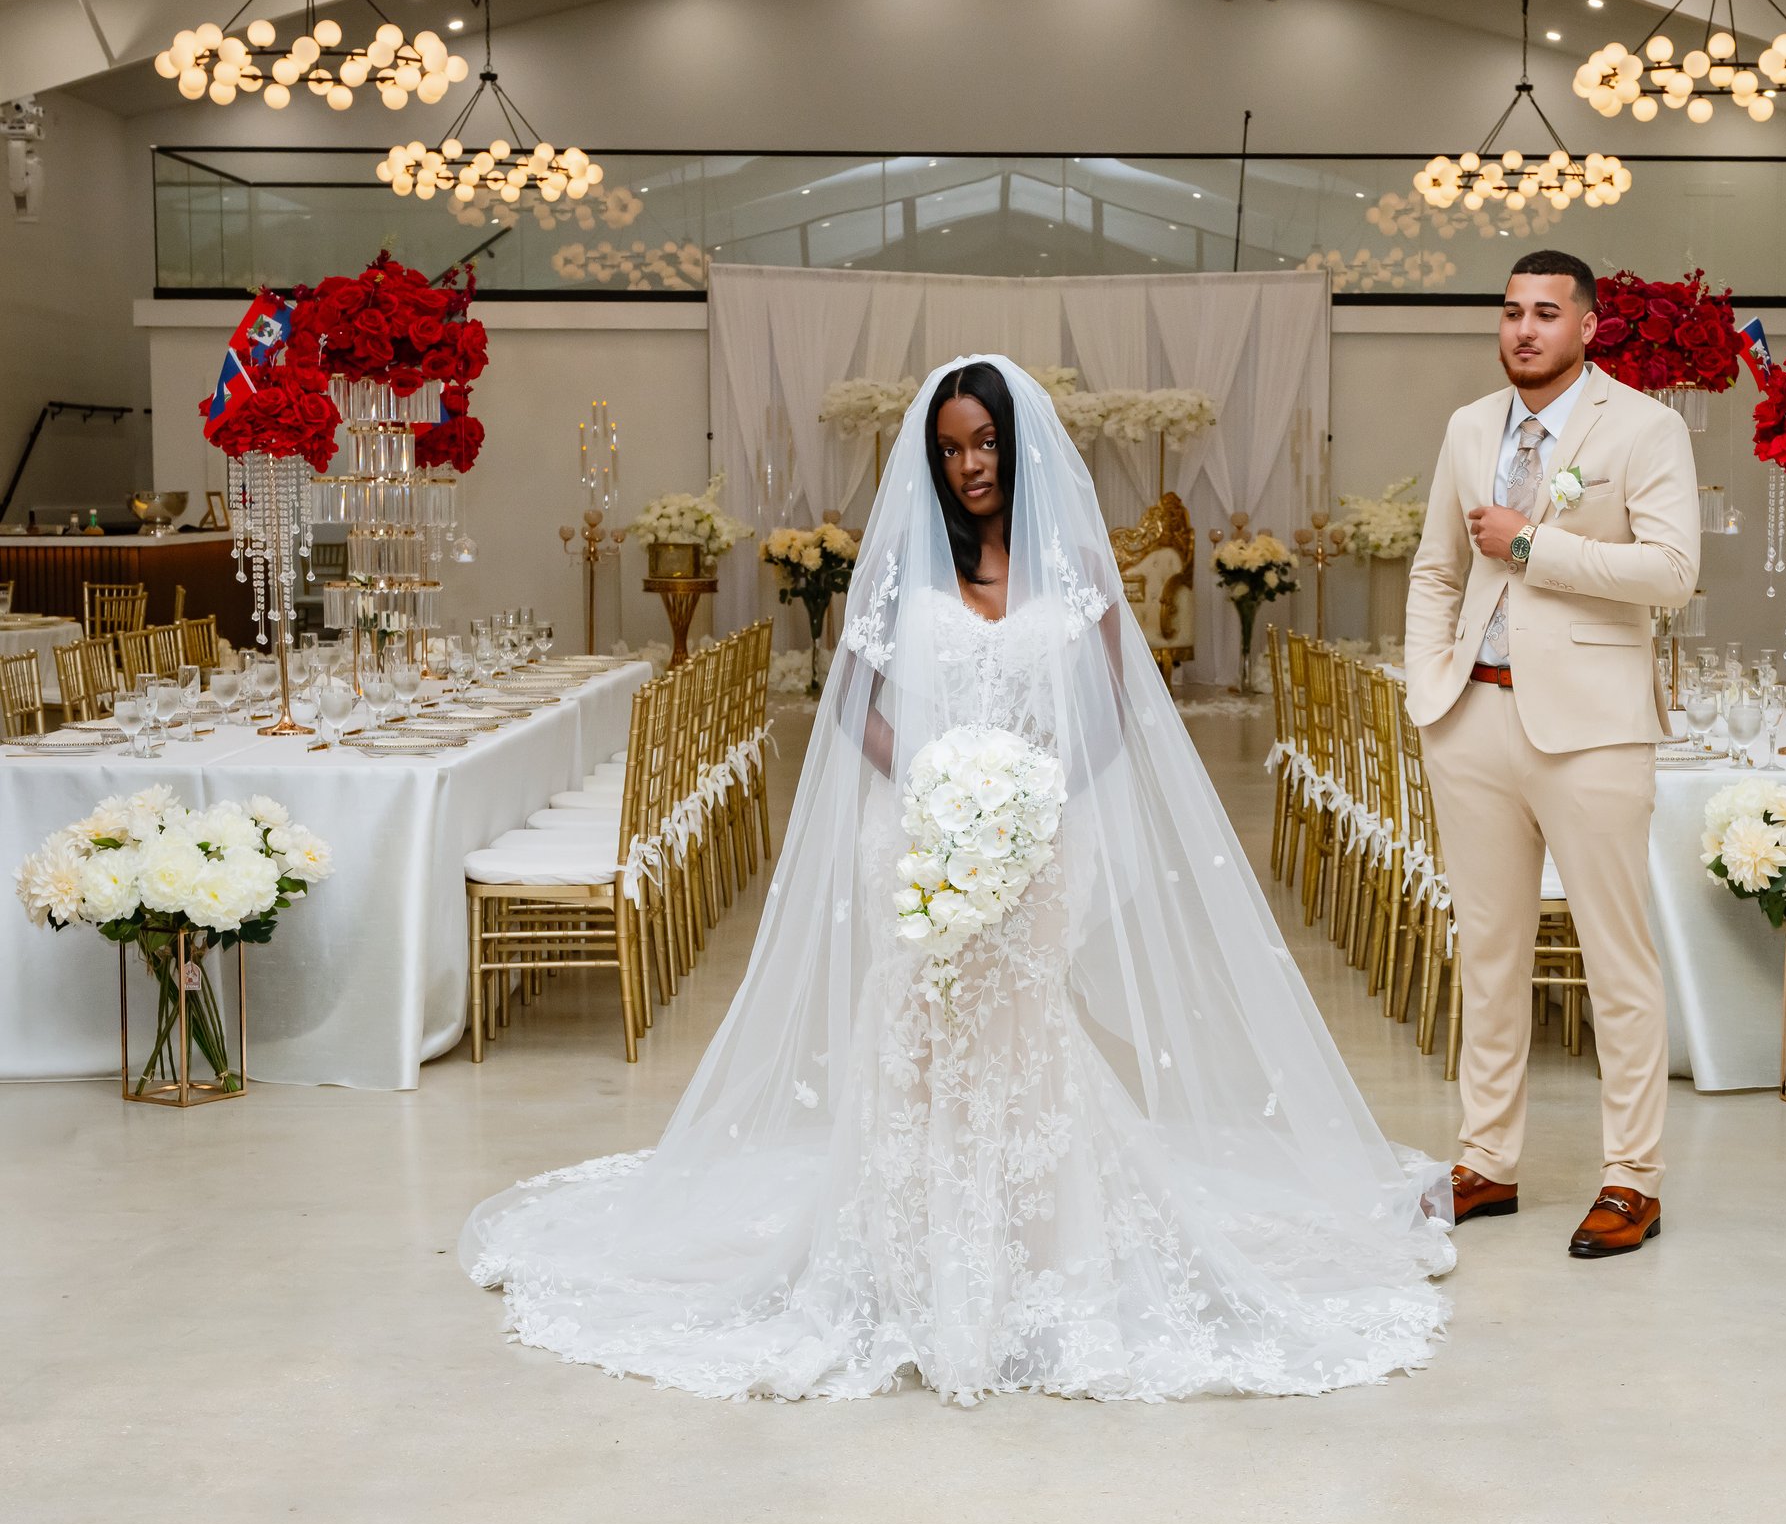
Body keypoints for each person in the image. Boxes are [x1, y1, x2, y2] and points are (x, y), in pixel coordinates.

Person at [461, 357, 1455, 1403]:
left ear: (1016, 446)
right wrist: (929, 782)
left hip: (1040, 833)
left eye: (983, 443)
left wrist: (1040, 795)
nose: (968, 464)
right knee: (918, 1032)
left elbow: (1121, 701)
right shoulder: (908, 566)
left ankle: (1032, 1255)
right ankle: (905, 1256)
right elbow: (853, 694)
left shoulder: (1072, 562)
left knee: (1022, 1029)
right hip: (916, 830)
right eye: (949, 448)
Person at [1405, 250, 1700, 1260]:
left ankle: (1634, 1178)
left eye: (1544, 313)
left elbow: (1670, 571)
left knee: (1618, 958)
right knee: (1486, 953)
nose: (1523, 329)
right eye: (1510, 312)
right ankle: (1485, 1159)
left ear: (1586, 327)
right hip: (1473, 719)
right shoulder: (1465, 427)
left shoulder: (1647, 427)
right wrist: (1428, 687)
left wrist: (1531, 543)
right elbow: (1436, 568)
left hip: (1593, 728)